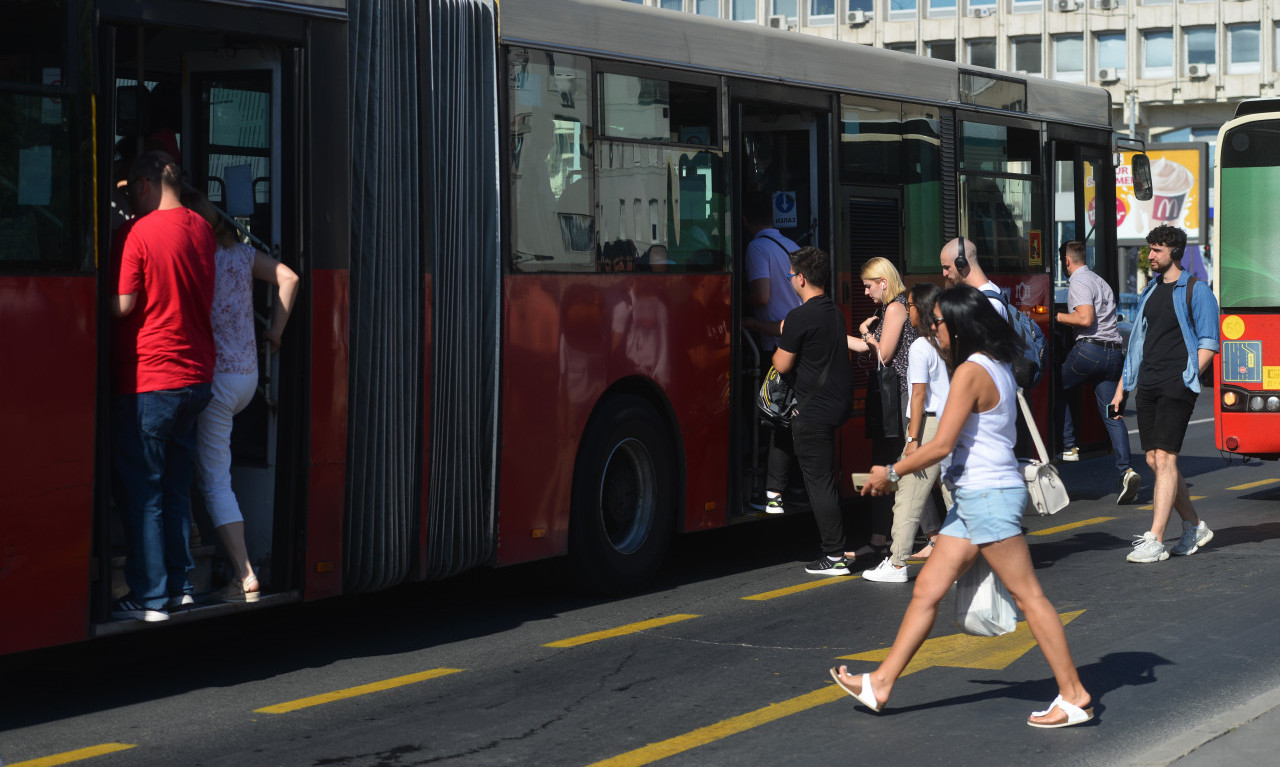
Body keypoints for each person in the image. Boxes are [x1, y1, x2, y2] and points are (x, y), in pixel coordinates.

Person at [832, 285, 1093, 728]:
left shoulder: (973, 370)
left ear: (958, 325)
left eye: (936, 323)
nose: (932, 330)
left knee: (1029, 597)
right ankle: (881, 683)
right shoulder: (994, 364)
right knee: (927, 590)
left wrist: (890, 472)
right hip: (975, 498)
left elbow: (942, 444)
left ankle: (1074, 695)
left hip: (988, 497)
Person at [110, 151, 217, 622]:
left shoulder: (138, 232)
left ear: (145, 184)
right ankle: (180, 586)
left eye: (132, 189)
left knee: (145, 492)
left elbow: (122, 304)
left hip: (151, 377)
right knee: (175, 489)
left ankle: (149, 596)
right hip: (196, 377)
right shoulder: (202, 228)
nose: (132, 199)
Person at [186, 191, 300, 602]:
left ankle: (244, 571)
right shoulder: (242, 255)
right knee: (209, 464)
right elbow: (290, 277)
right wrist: (275, 332)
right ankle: (197, 530)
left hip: (215, 379)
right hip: (248, 377)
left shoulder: (198, 259)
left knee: (214, 478)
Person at [1110, 225, 1220, 563]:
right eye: (1150, 249)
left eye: (1156, 249)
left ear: (1174, 251)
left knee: (1167, 458)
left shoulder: (1196, 290)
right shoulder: (1150, 291)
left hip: (1176, 383)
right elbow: (1137, 346)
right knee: (1154, 460)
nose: (1151, 255)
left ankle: (1155, 539)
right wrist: (1121, 390)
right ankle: (1194, 525)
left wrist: (1188, 375)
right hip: (1149, 382)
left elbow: (1209, 341)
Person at [772, 246, 856, 574]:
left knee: (819, 483)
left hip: (813, 411)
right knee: (823, 478)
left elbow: (781, 363)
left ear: (802, 278)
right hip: (835, 405)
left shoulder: (799, 316)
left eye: (792, 275)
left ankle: (834, 555)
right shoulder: (833, 312)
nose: (791, 280)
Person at [862, 282, 951, 582]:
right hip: (953, 423)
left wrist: (912, 439)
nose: (907, 310)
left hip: (927, 425)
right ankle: (966, 559)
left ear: (921, 309)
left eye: (910, 306)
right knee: (954, 496)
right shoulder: (947, 341)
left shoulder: (920, 346)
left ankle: (897, 562)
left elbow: (917, 396)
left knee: (909, 495)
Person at [1054, 240, 1140, 504]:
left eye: (1062, 262)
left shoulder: (1079, 282)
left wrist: (1054, 316)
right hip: (1113, 354)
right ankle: (1126, 470)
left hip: (1088, 352)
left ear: (1067, 261)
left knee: (1057, 386)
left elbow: (1084, 319)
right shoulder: (1100, 281)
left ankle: (1069, 446)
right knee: (1112, 413)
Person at [846, 257, 916, 558]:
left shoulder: (897, 307)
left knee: (904, 466)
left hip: (899, 399)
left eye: (868, 286)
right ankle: (878, 537)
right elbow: (867, 346)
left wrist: (866, 334)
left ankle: (934, 536)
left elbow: (884, 354)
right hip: (890, 399)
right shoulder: (888, 309)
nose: (865, 292)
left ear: (883, 282)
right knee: (885, 462)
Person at [741, 192, 802, 513]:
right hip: (801, 344)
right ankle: (794, 485)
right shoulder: (792, 247)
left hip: (775, 348)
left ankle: (765, 489)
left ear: (744, 220)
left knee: (771, 418)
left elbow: (762, 296)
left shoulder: (756, 248)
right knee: (793, 417)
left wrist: (739, 305)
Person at [940, 236, 1006, 319]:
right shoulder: (984, 296)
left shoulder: (989, 303)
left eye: (947, 267)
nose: (944, 273)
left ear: (961, 263)